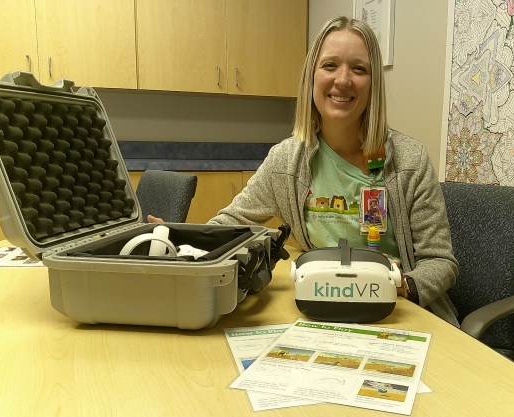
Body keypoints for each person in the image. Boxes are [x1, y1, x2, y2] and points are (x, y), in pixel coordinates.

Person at [151, 16, 459, 326]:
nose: (343, 80)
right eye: (329, 66)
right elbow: (230, 223)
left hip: (396, 317)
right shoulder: (287, 161)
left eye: (359, 68)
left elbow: (439, 261)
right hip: (321, 310)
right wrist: (182, 241)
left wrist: (399, 285)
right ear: (311, 76)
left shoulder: (409, 160)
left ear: (373, 82)